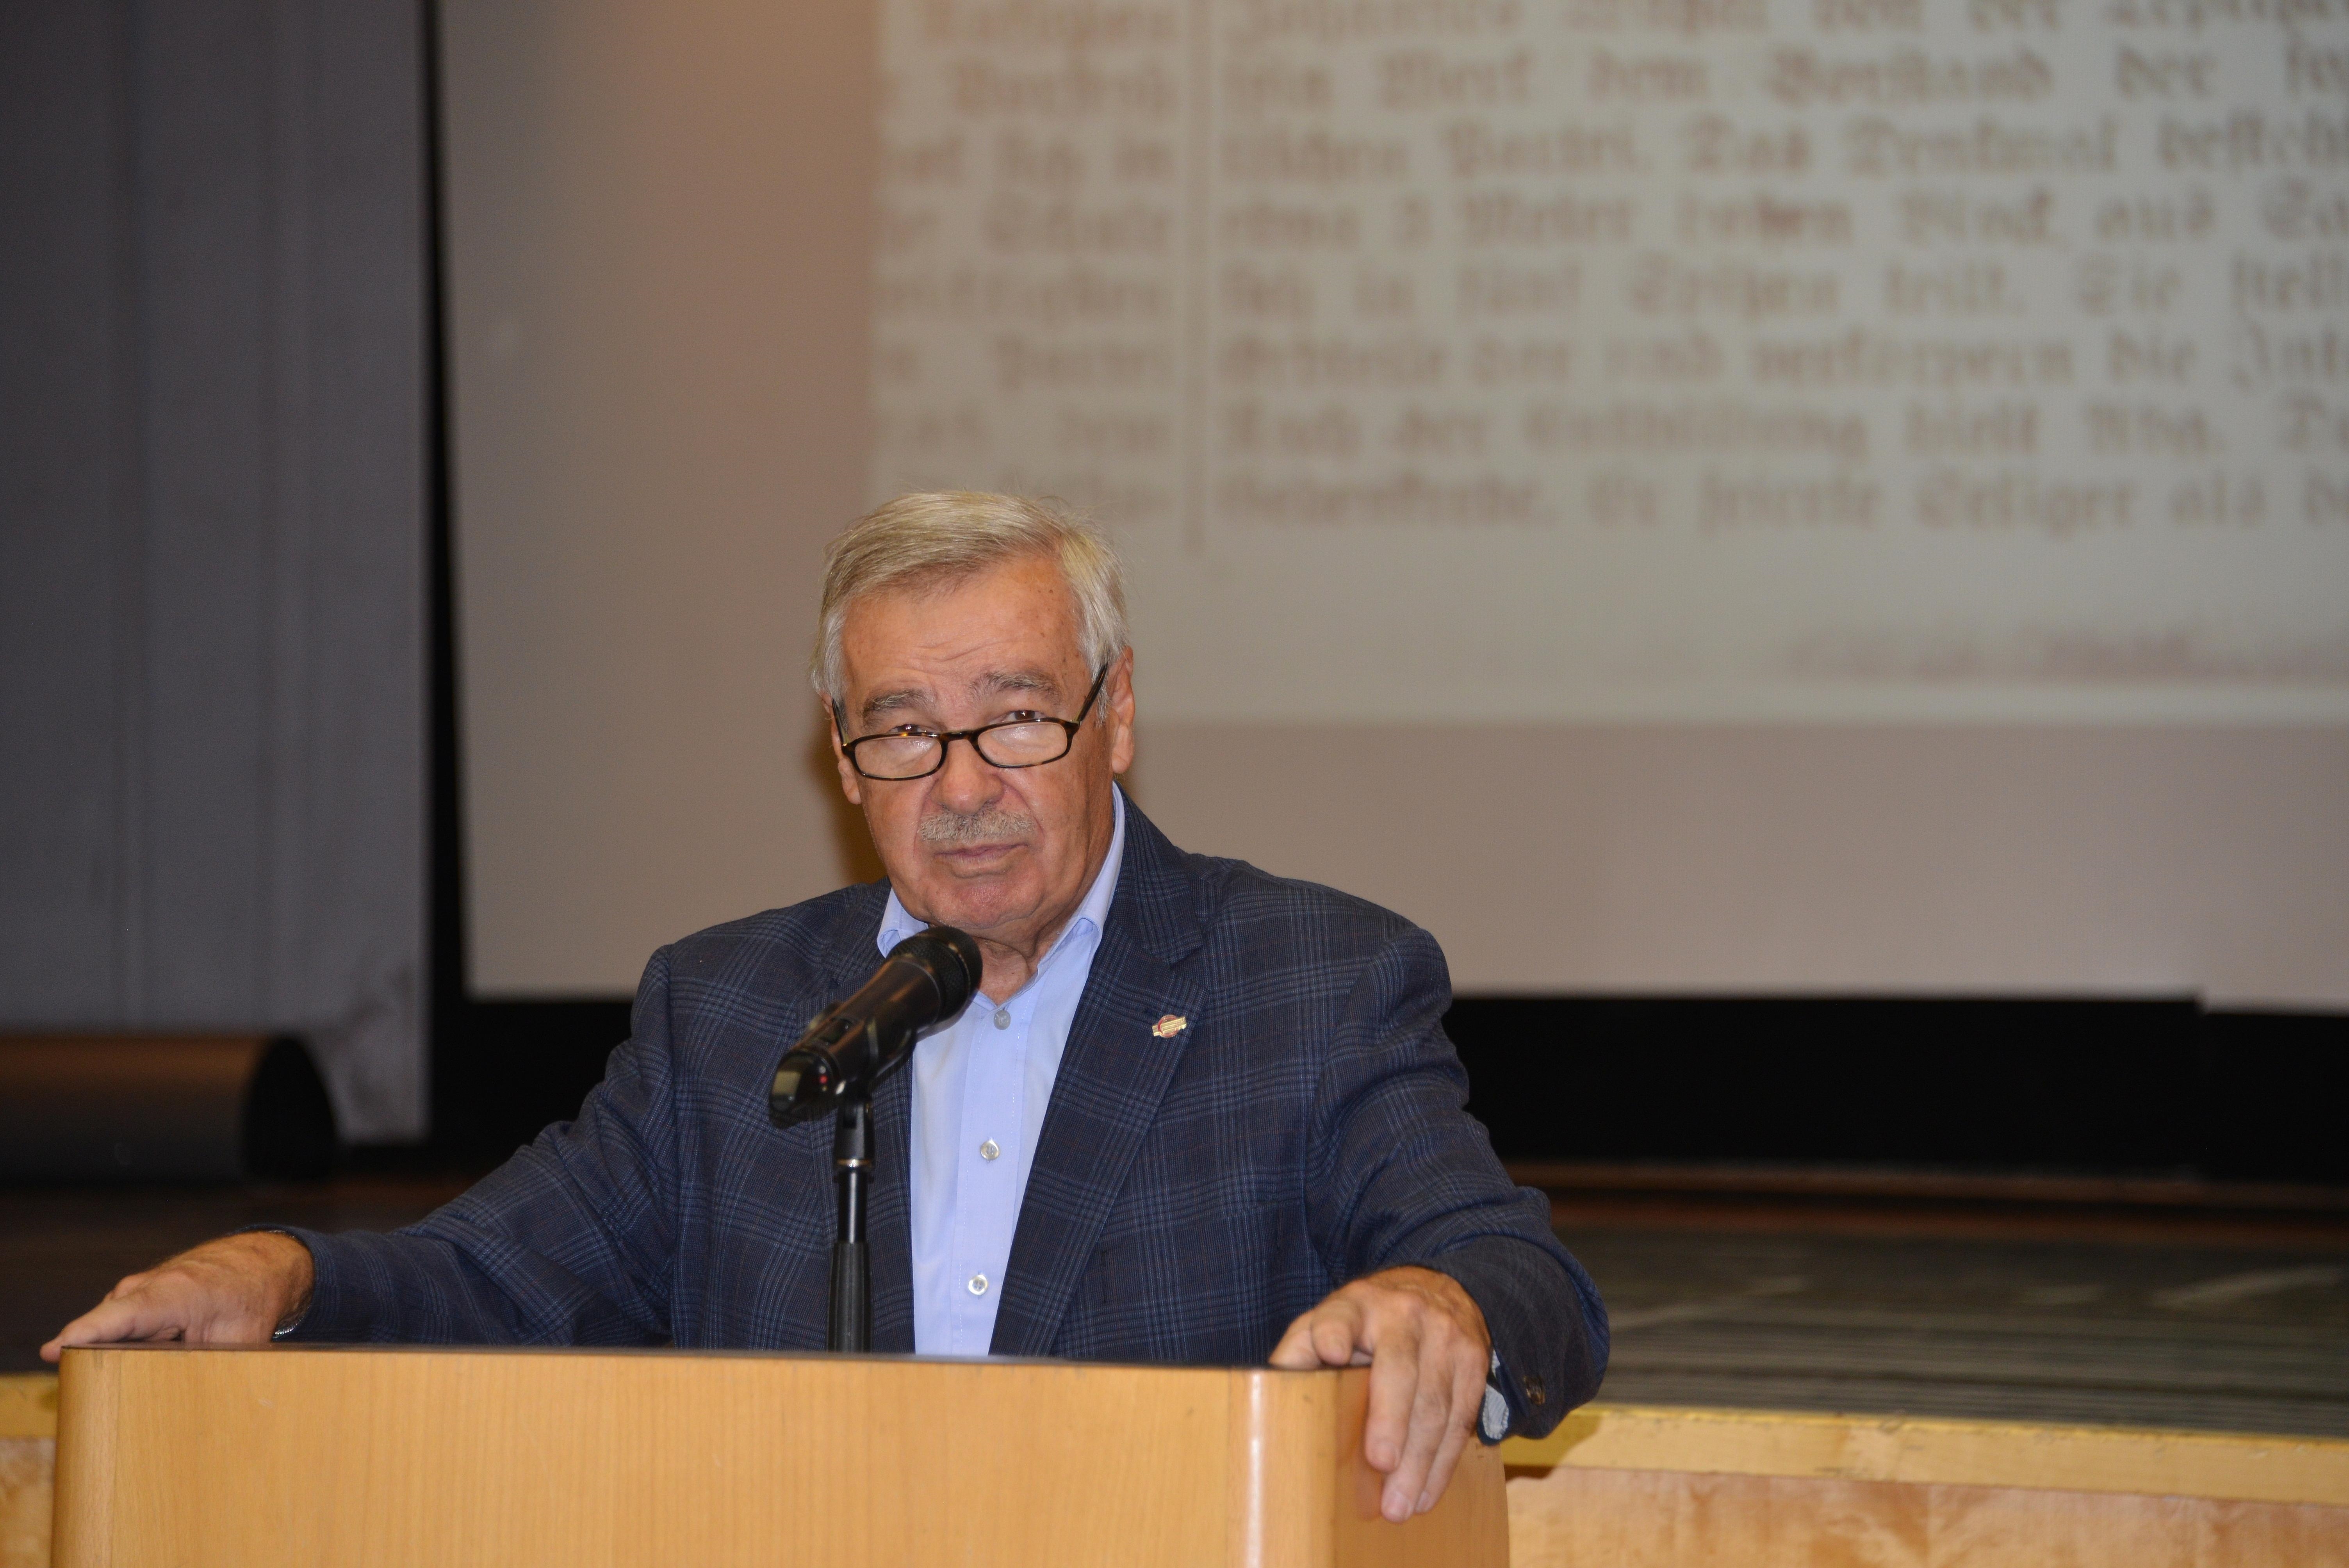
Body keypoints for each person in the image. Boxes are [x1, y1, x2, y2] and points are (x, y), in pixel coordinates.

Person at [47, 492, 1606, 1521]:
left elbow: (1518, 1272)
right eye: (903, 731)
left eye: (1016, 717)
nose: (963, 787)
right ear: (839, 751)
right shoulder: (733, 1010)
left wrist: (1448, 1306)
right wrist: (280, 1271)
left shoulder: (1307, 981)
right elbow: (495, 1275)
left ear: (1116, 712)